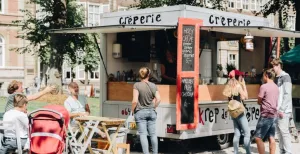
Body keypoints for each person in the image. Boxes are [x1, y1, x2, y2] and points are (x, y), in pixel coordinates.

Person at [132, 67, 161, 154]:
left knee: (143, 134)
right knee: (153, 134)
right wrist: (154, 107)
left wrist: (132, 110)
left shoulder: (136, 85)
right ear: (148, 75)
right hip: (151, 112)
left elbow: (134, 101)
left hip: (140, 112)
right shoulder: (153, 85)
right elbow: (158, 99)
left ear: (140, 75)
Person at [223, 70, 250, 154]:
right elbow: (245, 97)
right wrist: (244, 86)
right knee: (247, 133)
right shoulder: (238, 86)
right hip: (239, 112)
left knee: (237, 133)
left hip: (233, 112)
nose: (242, 77)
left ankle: (235, 152)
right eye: (241, 76)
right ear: (238, 77)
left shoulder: (229, 85)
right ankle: (248, 152)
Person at [254, 69, 279, 154]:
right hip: (274, 115)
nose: (263, 77)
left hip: (265, 115)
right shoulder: (276, 87)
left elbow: (259, 100)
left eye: (263, 75)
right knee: (271, 137)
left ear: (266, 76)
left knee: (258, 137)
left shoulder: (263, 86)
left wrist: (260, 102)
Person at [271, 58, 293, 154]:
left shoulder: (286, 77)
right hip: (278, 109)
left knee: (284, 133)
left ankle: (288, 152)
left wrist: (282, 109)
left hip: (283, 110)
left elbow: (287, 94)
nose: (273, 68)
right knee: (279, 134)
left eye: (274, 66)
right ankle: (282, 151)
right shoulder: (277, 78)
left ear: (279, 65)